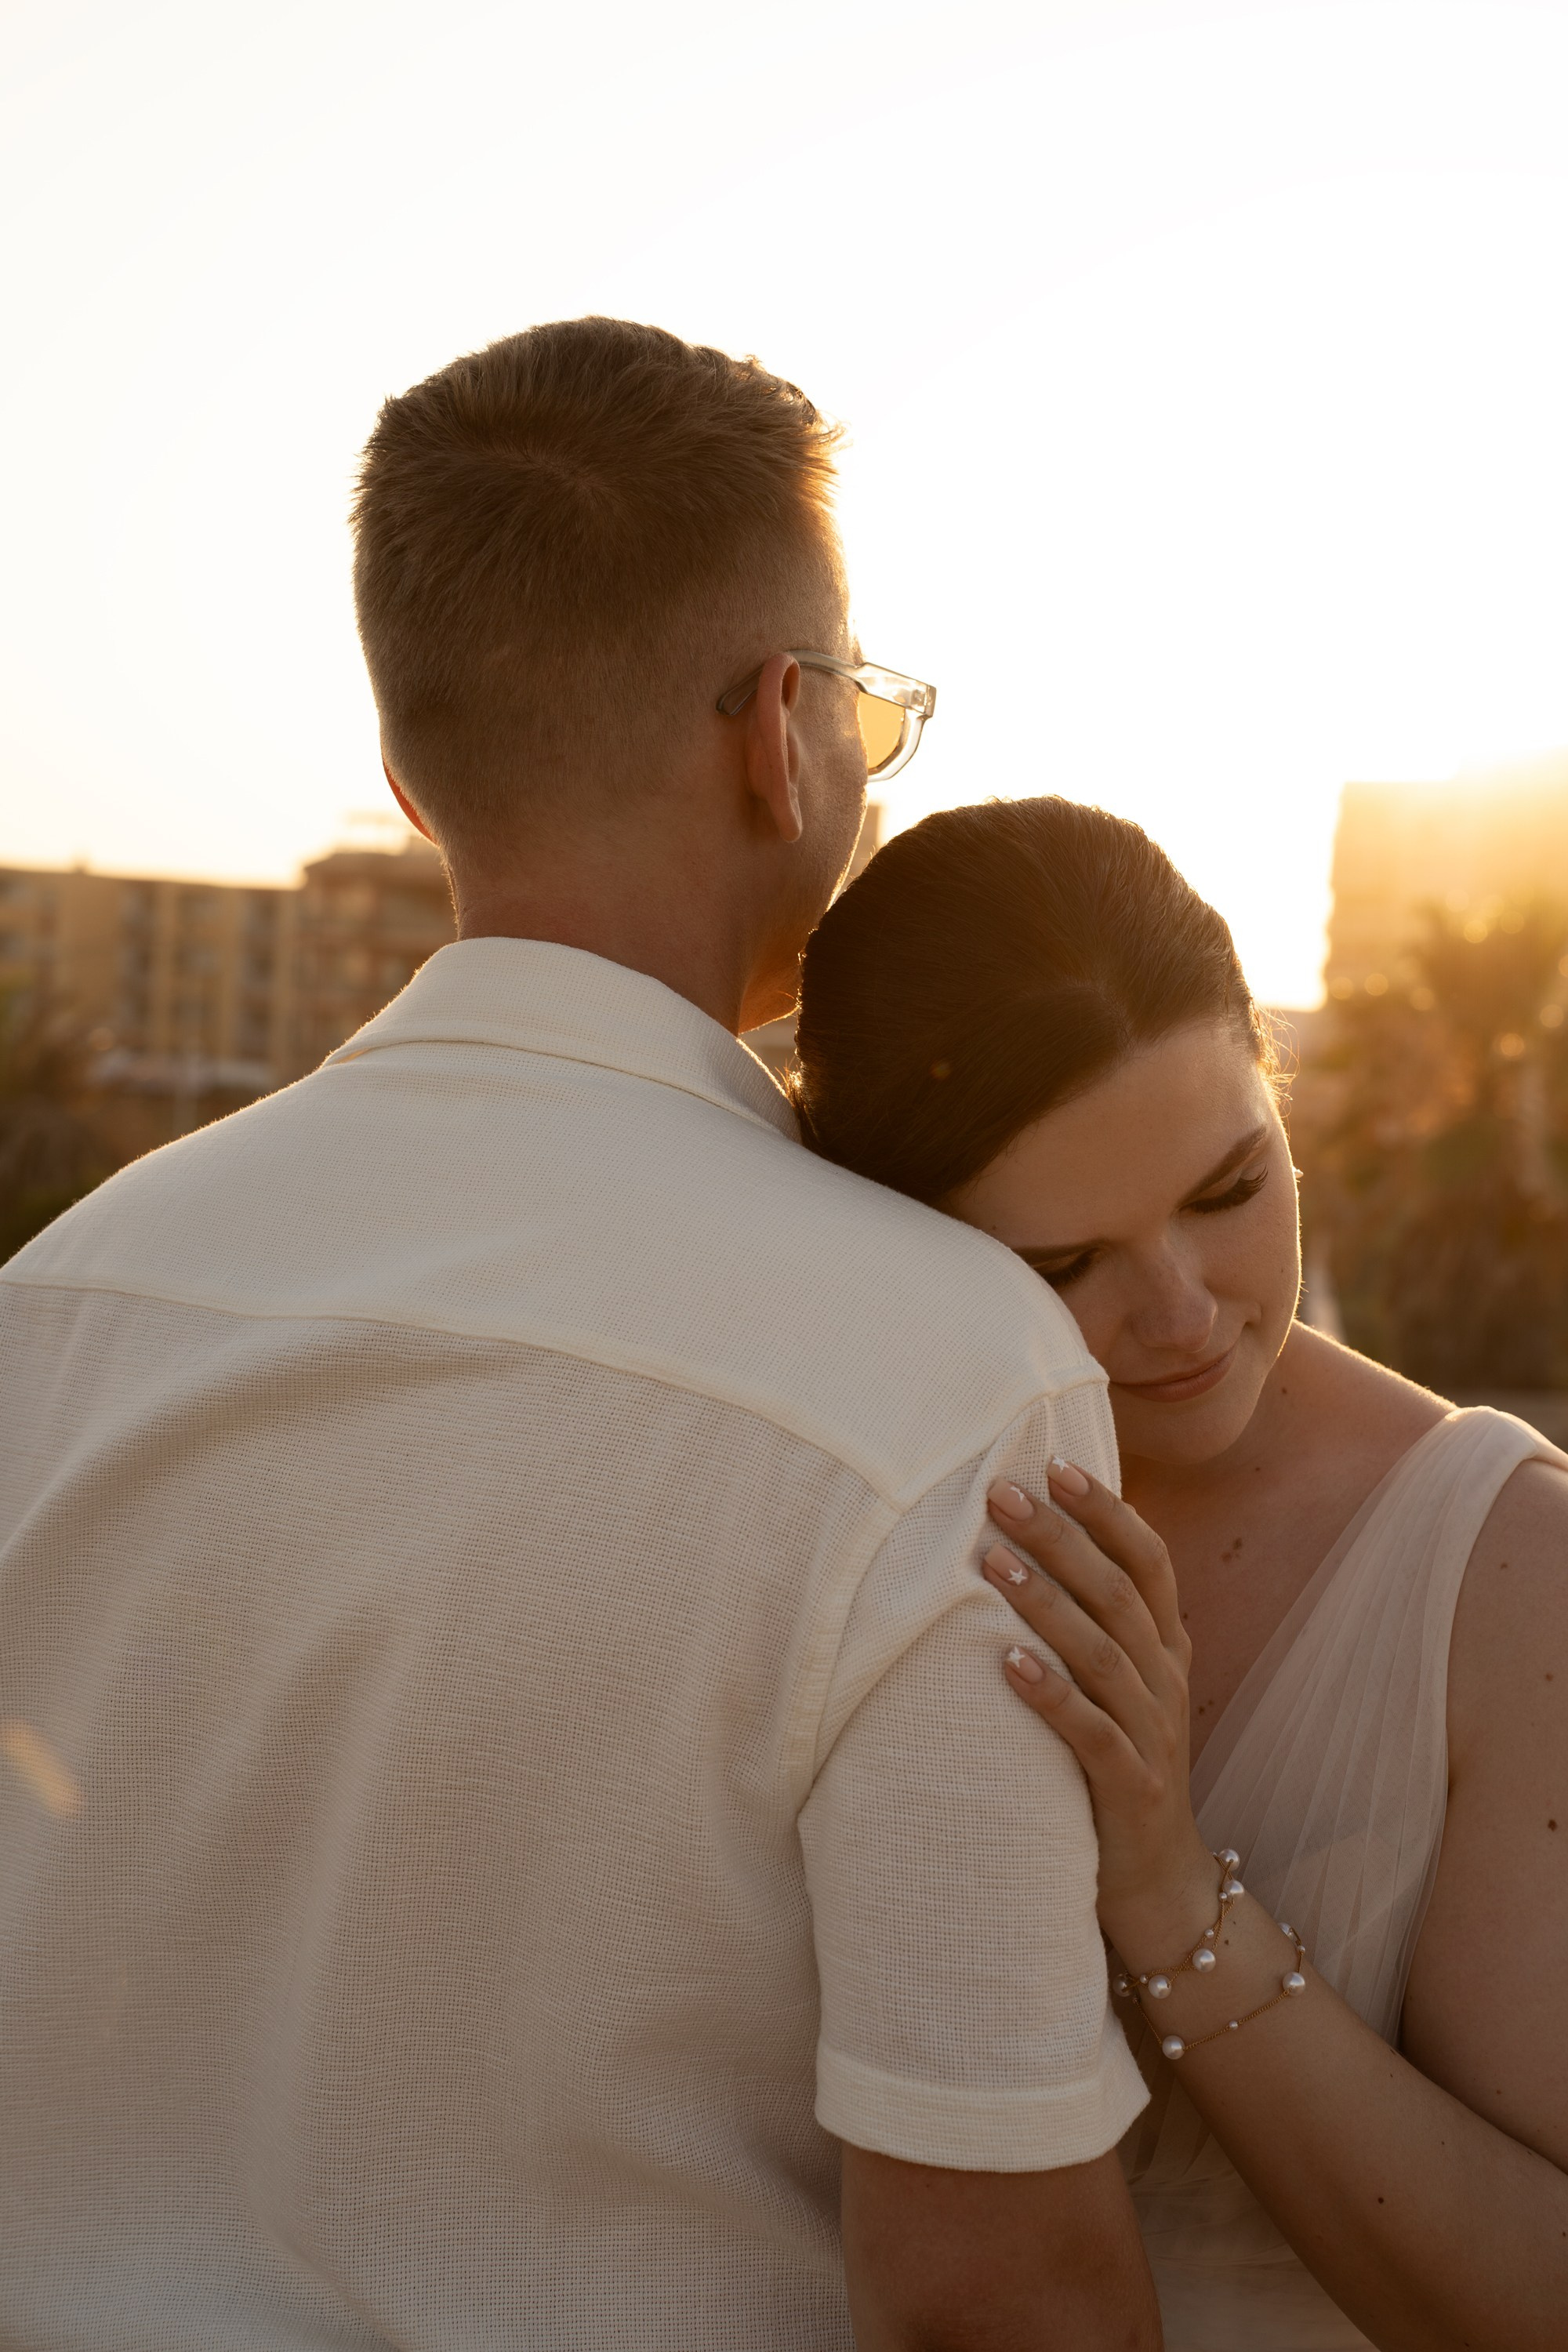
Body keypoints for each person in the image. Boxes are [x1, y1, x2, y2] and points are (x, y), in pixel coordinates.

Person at [0, 327, 1158, 2349]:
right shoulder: (944, 1370)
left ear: (408, 779)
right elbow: (997, 2291)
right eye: (864, 711)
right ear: (778, 734)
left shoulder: (59, 1311)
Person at [789, 793, 1568, 2350]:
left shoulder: (1505, 1564)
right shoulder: (821, 1501)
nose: (1182, 1316)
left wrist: (1161, 1893)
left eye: (1228, 1193)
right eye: (1061, 1266)